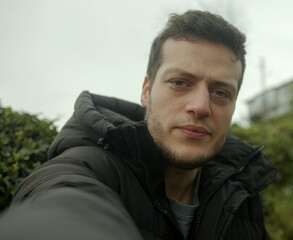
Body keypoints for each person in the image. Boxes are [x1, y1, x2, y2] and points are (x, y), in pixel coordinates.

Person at [0, 10, 276, 240]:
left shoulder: (240, 189)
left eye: (220, 92)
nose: (201, 106)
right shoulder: (86, 170)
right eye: (180, 83)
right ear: (146, 91)